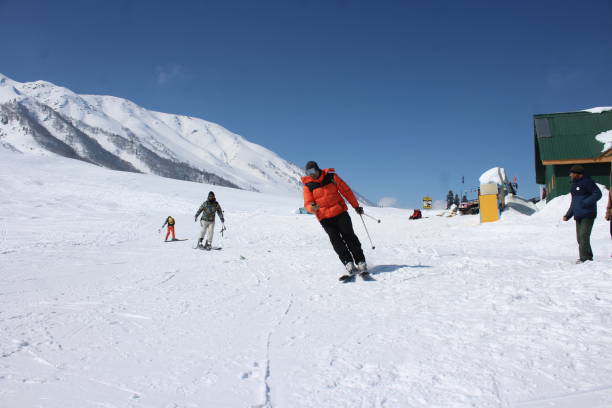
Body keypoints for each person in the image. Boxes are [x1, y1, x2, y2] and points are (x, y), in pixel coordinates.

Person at [301, 161, 367, 279]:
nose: (311, 174)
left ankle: (360, 261)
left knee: (349, 236)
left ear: (317, 169)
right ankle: (348, 263)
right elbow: (307, 203)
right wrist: (312, 208)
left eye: (313, 171)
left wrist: (356, 206)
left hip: (340, 213)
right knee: (336, 240)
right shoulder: (308, 186)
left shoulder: (331, 177)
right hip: (325, 218)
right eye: (308, 172)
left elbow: (346, 191)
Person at [562, 165, 602, 263]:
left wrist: (585, 203)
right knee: (580, 238)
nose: (570, 175)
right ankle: (588, 257)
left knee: (584, 236)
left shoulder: (587, 182)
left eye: (572, 173)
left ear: (578, 174)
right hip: (578, 214)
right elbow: (574, 202)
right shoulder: (573, 186)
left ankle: (584, 259)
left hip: (588, 213)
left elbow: (598, 193)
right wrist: (568, 215)